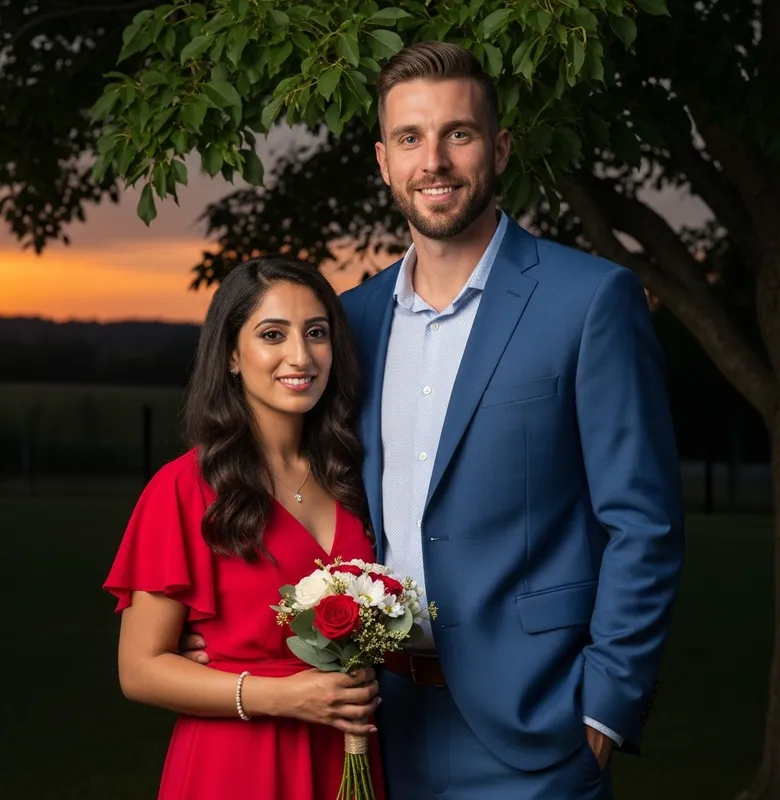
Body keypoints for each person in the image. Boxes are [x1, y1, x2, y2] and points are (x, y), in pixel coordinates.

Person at [182, 42, 685, 799]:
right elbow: (297, 487)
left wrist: (606, 707)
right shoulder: (351, 322)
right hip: (379, 720)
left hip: (539, 723)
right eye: (411, 138)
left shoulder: (588, 301)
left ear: (500, 149)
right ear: (384, 162)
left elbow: (644, 522)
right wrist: (234, 637)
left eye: (459, 134)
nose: (435, 161)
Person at [103, 256, 384, 800]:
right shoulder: (183, 489)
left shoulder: (356, 477)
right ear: (231, 355)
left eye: (316, 333)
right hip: (237, 761)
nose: (300, 355)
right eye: (272, 334)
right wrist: (280, 696)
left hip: (346, 756)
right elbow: (138, 670)